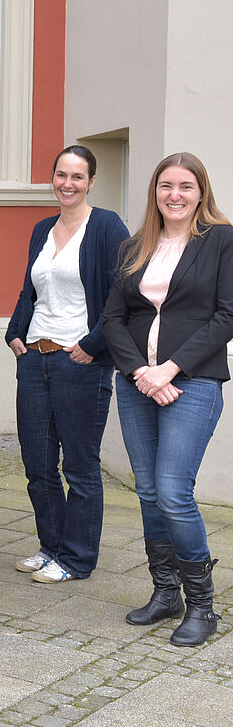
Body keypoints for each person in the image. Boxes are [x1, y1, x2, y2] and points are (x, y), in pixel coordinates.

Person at [103, 152, 233, 647]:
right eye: (165, 186)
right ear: (154, 192)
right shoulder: (135, 247)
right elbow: (113, 318)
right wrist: (141, 371)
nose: (173, 195)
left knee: (174, 490)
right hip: (137, 383)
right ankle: (165, 593)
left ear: (201, 192)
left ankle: (202, 605)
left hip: (193, 382)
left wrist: (169, 369)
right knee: (149, 490)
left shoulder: (221, 240)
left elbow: (226, 316)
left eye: (184, 186)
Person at [6, 145, 128, 584]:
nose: (68, 183)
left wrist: (93, 345)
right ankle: (51, 547)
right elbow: (30, 289)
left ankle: (76, 558)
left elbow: (122, 293)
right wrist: (15, 333)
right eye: (61, 174)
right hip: (35, 360)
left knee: (78, 466)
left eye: (78, 176)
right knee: (38, 466)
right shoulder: (42, 227)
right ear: (53, 177)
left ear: (91, 181)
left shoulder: (106, 226)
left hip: (79, 362)